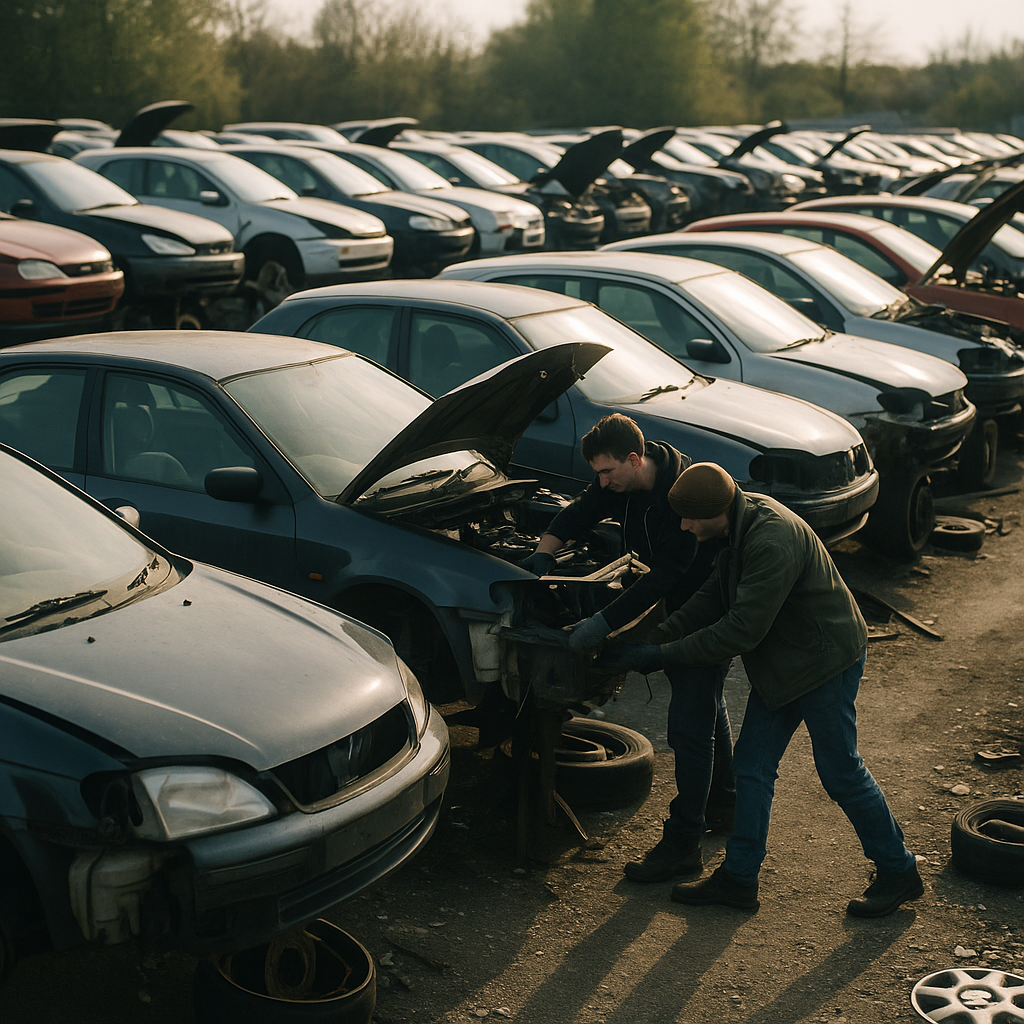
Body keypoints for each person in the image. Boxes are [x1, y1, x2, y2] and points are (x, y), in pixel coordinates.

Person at [596, 462, 923, 917]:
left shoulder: (770, 539)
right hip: (784, 663)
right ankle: (739, 879)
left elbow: (740, 629)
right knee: (751, 766)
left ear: (715, 511)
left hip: (824, 659)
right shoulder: (737, 527)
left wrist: (660, 656)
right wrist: (656, 639)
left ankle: (899, 871)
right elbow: (713, 595)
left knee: (840, 772)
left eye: (690, 518)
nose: (684, 527)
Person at [521, 414, 735, 882]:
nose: (601, 481)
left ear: (634, 459)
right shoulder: (624, 482)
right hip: (679, 602)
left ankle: (684, 845)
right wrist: (545, 549)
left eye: (607, 472)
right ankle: (726, 804)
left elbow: (664, 577)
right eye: (598, 473)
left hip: (703, 610)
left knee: (690, 729)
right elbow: (580, 510)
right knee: (709, 703)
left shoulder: (681, 498)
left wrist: (601, 622)